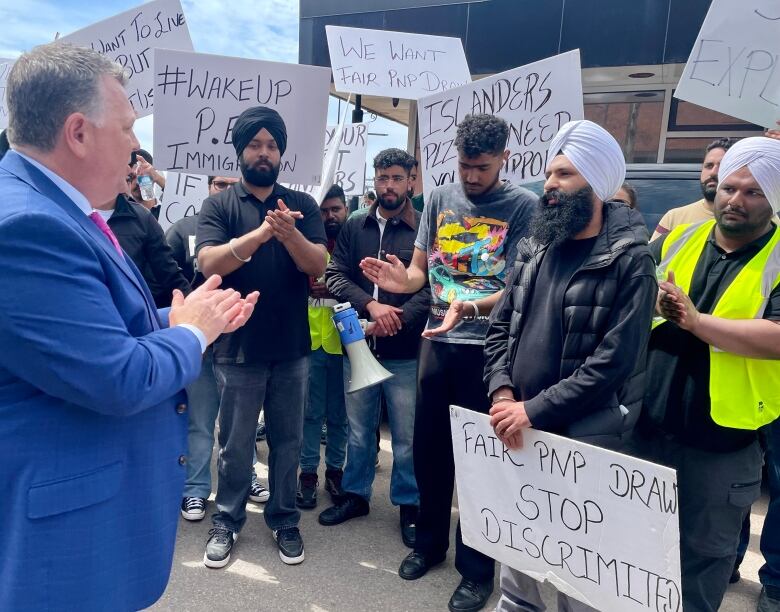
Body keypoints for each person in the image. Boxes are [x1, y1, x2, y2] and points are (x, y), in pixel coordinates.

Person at [0, 43, 256, 611]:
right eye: (127, 127)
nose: (138, 147)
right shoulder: (27, 227)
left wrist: (191, 319)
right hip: (64, 539)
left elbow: (94, 330)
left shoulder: (55, 209)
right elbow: (116, 375)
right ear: (78, 132)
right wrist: (191, 333)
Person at [361, 114, 536, 612]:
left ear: (504, 158)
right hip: (436, 343)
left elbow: (518, 285)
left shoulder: (523, 206)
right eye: (464, 165)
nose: (472, 176)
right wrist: (401, 282)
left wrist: (473, 306)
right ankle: (429, 544)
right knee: (429, 452)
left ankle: (477, 570)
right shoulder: (437, 198)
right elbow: (422, 272)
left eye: (481, 167)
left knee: (481, 464)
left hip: (490, 352)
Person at [482, 119, 657, 611]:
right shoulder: (534, 247)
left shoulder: (631, 260)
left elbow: (613, 364)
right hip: (519, 433)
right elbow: (500, 328)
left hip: (585, 442)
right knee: (518, 567)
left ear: (597, 185)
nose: (550, 186)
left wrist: (532, 409)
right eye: (549, 174)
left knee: (579, 585)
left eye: (564, 175)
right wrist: (502, 395)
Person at [633, 136, 780, 612]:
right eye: (729, 188)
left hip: (724, 445)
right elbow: (627, 280)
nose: (736, 200)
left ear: (774, 198)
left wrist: (696, 323)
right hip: (650, 431)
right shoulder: (678, 239)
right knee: (637, 554)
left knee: (701, 562)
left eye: (753, 192)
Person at [197, 106, 328, 568]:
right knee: (234, 446)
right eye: (255, 144)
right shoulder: (219, 205)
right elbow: (209, 264)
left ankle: (284, 518)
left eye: (272, 145)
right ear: (240, 150)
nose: (264, 152)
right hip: (237, 349)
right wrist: (259, 234)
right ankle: (227, 521)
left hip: (291, 348)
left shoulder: (302, 207)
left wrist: (289, 233)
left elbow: (317, 265)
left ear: (281, 153)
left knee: (288, 441)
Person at [318, 148, 430, 547]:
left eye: (397, 178)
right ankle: (356, 495)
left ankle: (409, 505)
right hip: (360, 348)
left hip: (404, 352)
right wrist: (372, 305)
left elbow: (434, 286)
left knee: (404, 436)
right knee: (359, 432)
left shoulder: (424, 229)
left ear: (410, 181)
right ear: (375, 182)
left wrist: (396, 316)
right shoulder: (354, 226)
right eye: (382, 178)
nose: (389, 186)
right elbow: (335, 274)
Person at [166, 175, 242, 522]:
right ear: (208, 187)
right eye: (219, 184)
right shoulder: (182, 229)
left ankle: (246, 477)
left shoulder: (252, 228)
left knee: (238, 421)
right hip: (199, 343)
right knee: (199, 420)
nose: (225, 191)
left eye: (232, 185)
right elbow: (168, 280)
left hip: (240, 342)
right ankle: (195, 488)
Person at [297, 183, 350, 509]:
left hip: (345, 343)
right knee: (310, 414)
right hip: (311, 342)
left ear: (345, 209)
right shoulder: (307, 244)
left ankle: (335, 471)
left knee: (340, 416)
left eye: (336, 209)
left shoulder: (353, 242)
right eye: (324, 210)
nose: (330, 216)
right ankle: (307, 475)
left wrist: (331, 289)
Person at [90, 164, 190, 308]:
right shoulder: (70, 210)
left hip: (141, 307)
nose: (136, 179)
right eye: (133, 175)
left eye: (140, 177)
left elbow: (169, 273)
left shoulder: (145, 216)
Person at [651, 138, 734, 240]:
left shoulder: (745, 222)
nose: (713, 172)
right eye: (708, 166)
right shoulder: (673, 219)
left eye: (722, 166)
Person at [127, 148, 166, 219]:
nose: (138, 182)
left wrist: (159, 179)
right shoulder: (124, 214)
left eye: (144, 175)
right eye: (131, 177)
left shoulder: (166, 209)